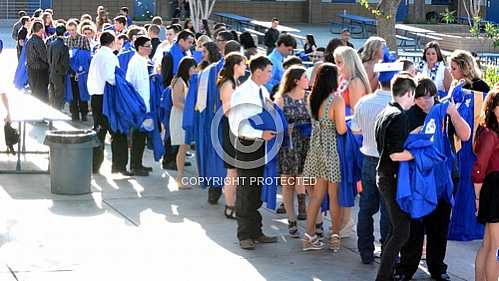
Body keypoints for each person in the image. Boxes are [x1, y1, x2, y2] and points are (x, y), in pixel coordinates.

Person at [228, 55, 278, 250]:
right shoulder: (241, 93)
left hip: (263, 144)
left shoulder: (262, 90)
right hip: (247, 144)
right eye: (268, 71)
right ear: (257, 71)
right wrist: (259, 133)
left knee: (256, 191)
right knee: (246, 190)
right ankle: (244, 234)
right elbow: (236, 125)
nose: (270, 75)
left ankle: (256, 231)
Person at [350, 59, 397, 264]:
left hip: (368, 159)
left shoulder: (364, 102)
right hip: (388, 162)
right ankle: (387, 251)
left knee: (366, 209)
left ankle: (365, 250)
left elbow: (355, 129)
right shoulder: (396, 106)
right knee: (388, 211)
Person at [374, 73, 417, 281]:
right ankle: (383, 277)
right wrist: (418, 154)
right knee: (402, 231)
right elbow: (394, 153)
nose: (413, 101)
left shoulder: (386, 111)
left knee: (395, 229)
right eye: (413, 96)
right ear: (408, 93)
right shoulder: (399, 116)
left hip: (384, 175)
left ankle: (386, 275)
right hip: (390, 177)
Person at [302, 63, 346, 251]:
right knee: (334, 196)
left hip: (315, 149)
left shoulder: (312, 97)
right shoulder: (336, 100)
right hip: (330, 150)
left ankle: (308, 237)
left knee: (316, 196)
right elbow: (341, 129)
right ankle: (335, 236)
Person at [274, 66, 311, 236]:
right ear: (296, 80)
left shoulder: (309, 98)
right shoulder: (282, 100)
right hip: (288, 145)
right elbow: (273, 124)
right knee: (288, 183)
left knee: (305, 180)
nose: (308, 80)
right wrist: (285, 128)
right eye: (305, 77)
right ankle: (291, 220)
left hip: (306, 144)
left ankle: (308, 215)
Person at [88, 31, 130, 176]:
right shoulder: (110, 57)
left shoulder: (96, 55)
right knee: (118, 131)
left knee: (99, 131)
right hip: (107, 96)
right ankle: (119, 165)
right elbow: (111, 77)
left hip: (96, 96)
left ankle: (94, 165)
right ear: (112, 43)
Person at [472, 86, 499, 281]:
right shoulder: (490, 134)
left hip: (493, 189)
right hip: (494, 189)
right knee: (494, 246)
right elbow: (479, 169)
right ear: (493, 108)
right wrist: (478, 197)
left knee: (489, 243)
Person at [218, 52, 247, 219]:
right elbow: (227, 111)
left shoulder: (235, 82)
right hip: (231, 130)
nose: (245, 67)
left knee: (235, 171)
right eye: (243, 64)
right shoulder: (228, 83)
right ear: (236, 66)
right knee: (232, 171)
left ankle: (232, 204)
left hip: (236, 129)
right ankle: (229, 206)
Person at [160, 30, 195, 171]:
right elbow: (165, 78)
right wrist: (175, 89)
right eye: (189, 42)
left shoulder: (185, 55)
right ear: (181, 41)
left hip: (181, 95)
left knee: (179, 132)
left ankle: (177, 158)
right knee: (171, 131)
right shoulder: (169, 55)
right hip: (172, 98)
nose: (191, 45)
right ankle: (168, 160)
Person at [125, 36, 156, 177]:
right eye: (147, 45)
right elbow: (136, 86)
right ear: (139, 47)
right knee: (138, 136)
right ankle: (135, 166)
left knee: (142, 136)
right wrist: (141, 106)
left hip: (144, 104)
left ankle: (138, 163)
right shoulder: (136, 62)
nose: (150, 48)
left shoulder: (143, 61)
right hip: (139, 105)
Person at [170, 57, 197, 186]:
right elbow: (176, 102)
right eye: (193, 68)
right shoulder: (180, 81)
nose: (195, 71)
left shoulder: (187, 80)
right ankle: (180, 179)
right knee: (182, 146)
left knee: (184, 147)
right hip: (180, 116)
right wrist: (190, 109)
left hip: (184, 115)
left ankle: (181, 178)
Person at [65, 19, 91, 121]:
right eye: (70, 30)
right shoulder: (66, 40)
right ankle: (74, 114)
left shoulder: (84, 39)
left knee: (82, 93)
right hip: (71, 72)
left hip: (82, 72)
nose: (72, 32)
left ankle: (84, 114)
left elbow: (88, 54)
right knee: (73, 94)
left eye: (73, 30)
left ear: (77, 29)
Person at [334, 46, 371, 112]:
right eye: (335, 62)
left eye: (339, 62)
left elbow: (354, 112)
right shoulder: (342, 77)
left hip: (348, 120)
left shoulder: (355, 82)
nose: (336, 65)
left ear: (349, 62)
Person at [25, 21, 49, 103]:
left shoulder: (29, 40)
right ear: (41, 29)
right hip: (40, 70)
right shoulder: (39, 41)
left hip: (31, 69)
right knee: (41, 94)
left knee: (34, 92)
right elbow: (44, 57)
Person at [47, 25, 70, 110]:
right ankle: (58, 111)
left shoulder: (51, 44)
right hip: (60, 73)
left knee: (52, 93)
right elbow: (65, 62)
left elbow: (48, 58)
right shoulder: (64, 46)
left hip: (52, 71)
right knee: (59, 94)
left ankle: (52, 109)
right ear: (64, 33)